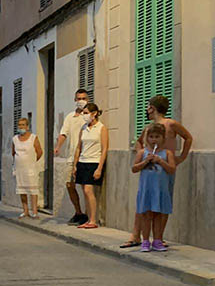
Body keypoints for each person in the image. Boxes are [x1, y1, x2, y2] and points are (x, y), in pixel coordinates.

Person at [120, 95, 193, 248]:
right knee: (144, 203)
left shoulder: (171, 124)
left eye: (148, 107)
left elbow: (188, 137)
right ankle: (137, 235)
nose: (146, 110)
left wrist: (181, 157)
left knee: (163, 204)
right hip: (149, 170)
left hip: (165, 169)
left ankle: (159, 237)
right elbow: (139, 142)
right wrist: (142, 155)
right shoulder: (149, 128)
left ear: (152, 108)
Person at [132, 122, 176, 252]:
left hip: (160, 190)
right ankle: (145, 240)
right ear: (147, 138)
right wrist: (145, 162)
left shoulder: (167, 153)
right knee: (146, 215)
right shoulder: (142, 153)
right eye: (151, 137)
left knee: (158, 216)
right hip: (147, 190)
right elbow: (134, 168)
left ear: (163, 138)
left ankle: (157, 240)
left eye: (157, 137)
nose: (154, 140)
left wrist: (160, 161)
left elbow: (172, 169)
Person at [54, 89, 90, 225]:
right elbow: (63, 133)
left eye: (84, 98)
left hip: (86, 156)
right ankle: (78, 212)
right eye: (79, 98)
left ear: (88, 99)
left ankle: (89, 214)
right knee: (69, 184)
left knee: (86, 187)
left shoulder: (89, 116)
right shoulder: (70, 117)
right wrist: (58, 146)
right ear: (75, 100)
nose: (81, 101)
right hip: (71, 157)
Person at [71, 103, 108, 229]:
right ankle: (88, 218)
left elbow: (104, 149)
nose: (84, 115)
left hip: (94, 162)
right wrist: (75, 165)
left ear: (94, 113)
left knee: (88, 190)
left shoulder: (101, 128)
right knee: (84, 192)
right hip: (82, 161)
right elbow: (79, 147)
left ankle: (93, 220)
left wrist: (99, 168)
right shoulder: (83, 128)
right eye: (83, 113)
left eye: (86, 113)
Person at [12, 117, 42, 219]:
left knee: (33, 191)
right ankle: (25, 211)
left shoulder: (33, 138)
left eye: (23, 125)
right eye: (19, 125)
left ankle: (35, 212)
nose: (21, 127)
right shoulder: (15, 139)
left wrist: (32, 161)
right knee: (22, 190)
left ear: (27, 126)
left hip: (31, 168)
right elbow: (13, 152)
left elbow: (39, 152)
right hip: (19, 169)